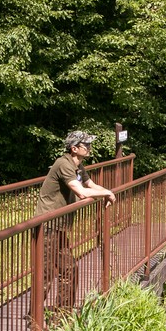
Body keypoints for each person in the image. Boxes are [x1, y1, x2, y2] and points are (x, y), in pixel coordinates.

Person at [34, 130, 117, 311]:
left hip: (59, 227)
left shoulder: (77, 165)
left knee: (70, 269)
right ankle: (35, 318)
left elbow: (90, 185)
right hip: (47, 226)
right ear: (74, 148)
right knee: (46, 275)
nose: (89, 148)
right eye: (85, 145)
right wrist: (106, 193)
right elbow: (82, 192)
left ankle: (62, 313)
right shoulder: (64, 164)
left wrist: (108, 192)